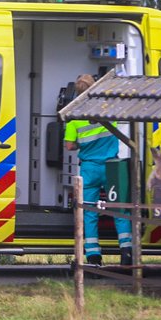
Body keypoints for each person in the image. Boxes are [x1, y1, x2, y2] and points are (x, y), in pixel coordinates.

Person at [64, 73, 133, 267]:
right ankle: (127, 252)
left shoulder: (74, 117)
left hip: (89, 168)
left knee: (89, 211)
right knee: (119, 209)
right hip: (112, 167)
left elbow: (69, 146)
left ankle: (93, 256)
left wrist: (82, 146)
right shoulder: (108, 109)